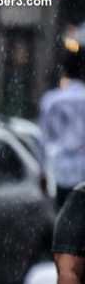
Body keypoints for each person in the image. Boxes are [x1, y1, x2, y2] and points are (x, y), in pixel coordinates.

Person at [39, 48, 85, 211]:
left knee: (64, 223)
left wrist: (42, 173)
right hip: (83, 175)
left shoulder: (51, 101)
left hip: (62, 173)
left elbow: (42, 141)